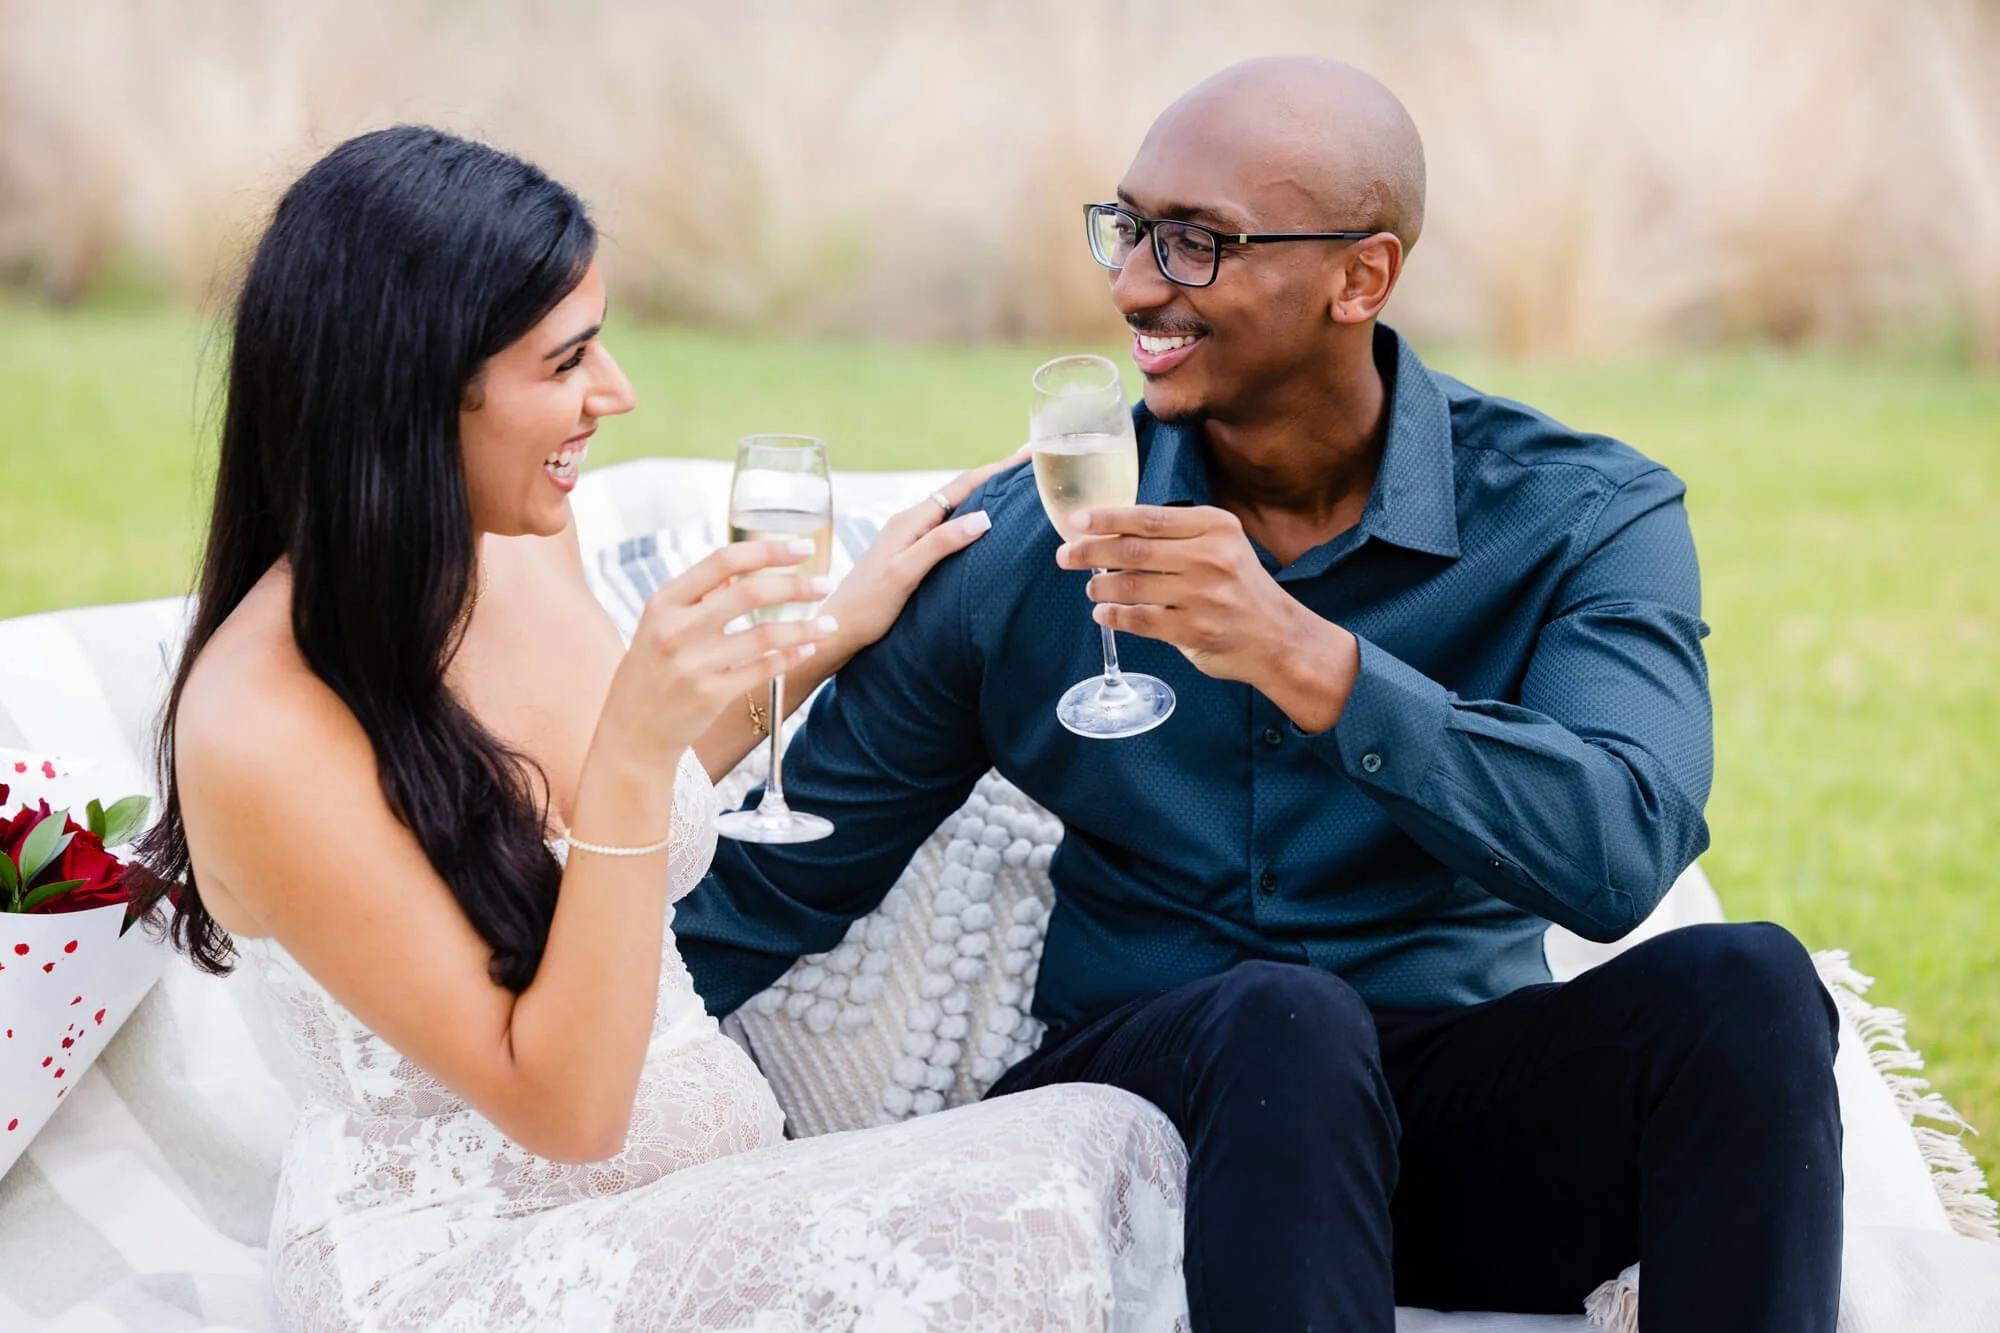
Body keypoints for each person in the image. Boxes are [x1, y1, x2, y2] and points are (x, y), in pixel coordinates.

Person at [677, 56, 1842, 1331]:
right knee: (1284, 1020)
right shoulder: (1024, 545)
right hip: (1142, 1132)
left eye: (1194, 245)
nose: (1130, 286)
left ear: (1362, 276)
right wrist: (527, 1037)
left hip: (1450, 1134)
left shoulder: (1578, 515)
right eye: (1126, 229)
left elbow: (1619, 854)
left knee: (1750, 989)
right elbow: (775, 886)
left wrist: (1311, 662)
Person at [145, 125, 1189, 1331]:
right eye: (568, 360)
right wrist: (636, 740)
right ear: (415, 387)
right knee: (1006, 1218)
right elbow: (567, 1105)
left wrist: (844, 619)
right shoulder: (260, 728)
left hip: (695, 1202)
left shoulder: (522, 548)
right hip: (468, 1263)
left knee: (1102, 1139)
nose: (618, 393)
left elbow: (592, 819)